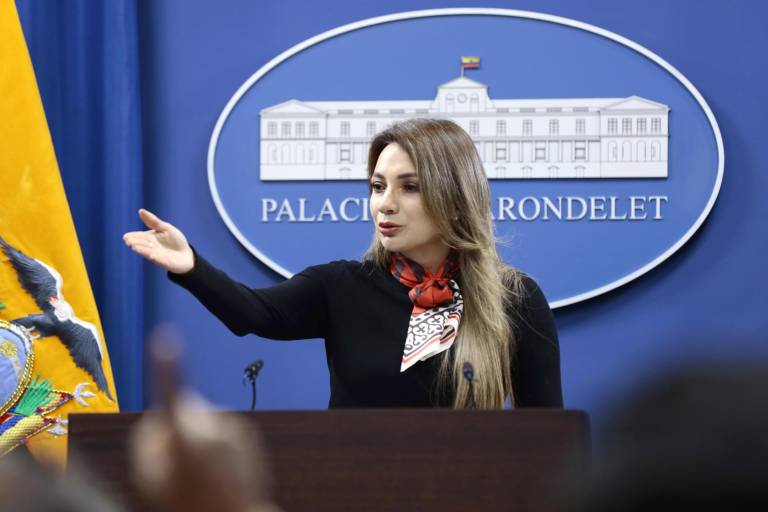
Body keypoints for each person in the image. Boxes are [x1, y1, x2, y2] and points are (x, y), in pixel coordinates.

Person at [124, 118, 562, 409]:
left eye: (408, 187)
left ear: (455, 196)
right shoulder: (341, 286)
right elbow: (250, 313)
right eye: (377, 186)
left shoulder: (515, 299)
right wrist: (190, 265)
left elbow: (548, 442)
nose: (383, 205)